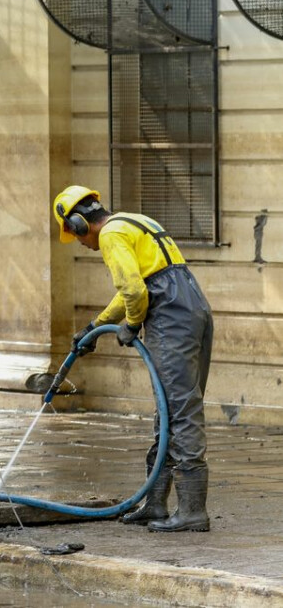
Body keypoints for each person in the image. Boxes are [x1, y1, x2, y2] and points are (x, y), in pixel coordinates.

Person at [53, 185, 213, 533]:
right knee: (171, 407)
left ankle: (192, 511)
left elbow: (136, 293)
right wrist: (96, 326)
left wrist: (133, 323)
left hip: (170, 312)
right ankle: (155, 504)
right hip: (190, 303)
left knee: (180, 409)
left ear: (80, 224)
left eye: (74, 234)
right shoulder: (132, 220)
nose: (79, 243)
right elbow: (137, 287)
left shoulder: (110, 235)